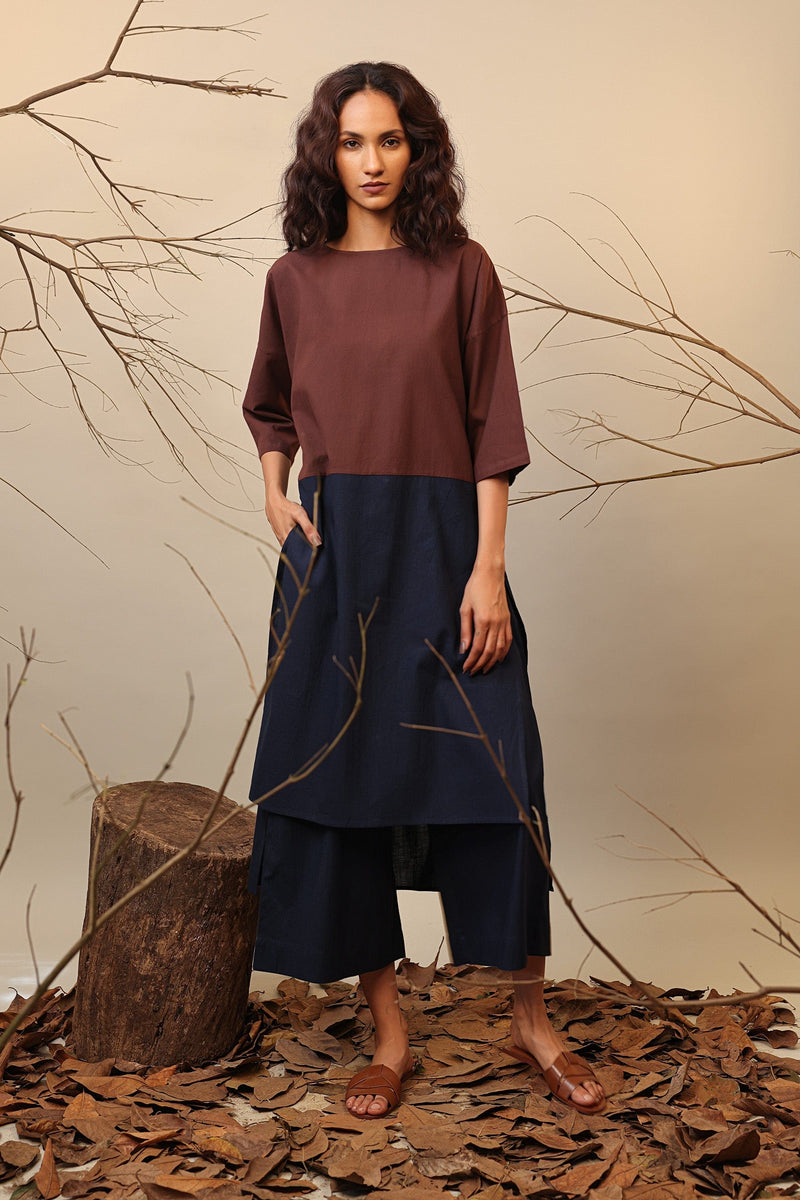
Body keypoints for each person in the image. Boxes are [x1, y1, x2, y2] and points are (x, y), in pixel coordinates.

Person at [241, 61, 606, 1120]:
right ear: (326, 154)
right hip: (336, 562)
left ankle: (530, 1020)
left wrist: (487, 569)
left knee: (499, 779)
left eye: (390, 140)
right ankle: (390, 1033)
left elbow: (493, 424)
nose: (371, 162)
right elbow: (270, 404)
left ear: (418, 150)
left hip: (447, 550)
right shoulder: (293, 278)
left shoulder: (462, 270)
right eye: (352, 142)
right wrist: (275, 493)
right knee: (346, 783)